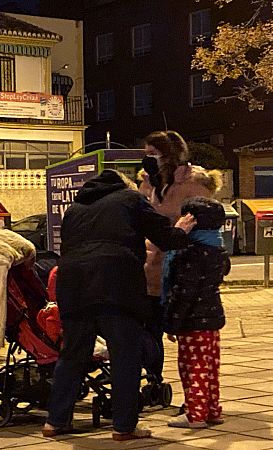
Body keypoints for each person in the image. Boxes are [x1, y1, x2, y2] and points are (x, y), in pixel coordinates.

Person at [43, 169, 196, 441]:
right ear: (124, 184)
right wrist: (181, 230)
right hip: (116, 284)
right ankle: (123, 426)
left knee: (72, 355)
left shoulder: (75, 208)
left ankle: (55, 421)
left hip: (73, 285)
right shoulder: (130, 199)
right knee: (125, 356)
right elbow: (165, 238)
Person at [139, 130, 221, 383]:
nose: (148, 159)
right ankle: (153, 381)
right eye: (146, 153)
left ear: (171, 155)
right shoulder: (148, 183)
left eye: (153, 154)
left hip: (181, 271)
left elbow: (204, 226)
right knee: (148, 330)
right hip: (148, 268)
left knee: (187, 337)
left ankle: (197, 396)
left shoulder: (194, 185)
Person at [163, 197, 229, 429]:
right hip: (212, 318)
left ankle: (195, 414)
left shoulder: (189, 254)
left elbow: (184, 293)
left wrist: (171, 323)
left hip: (192, 320)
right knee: (210, 368)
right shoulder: (217, 250)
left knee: (193, 368)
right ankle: (211, 410)